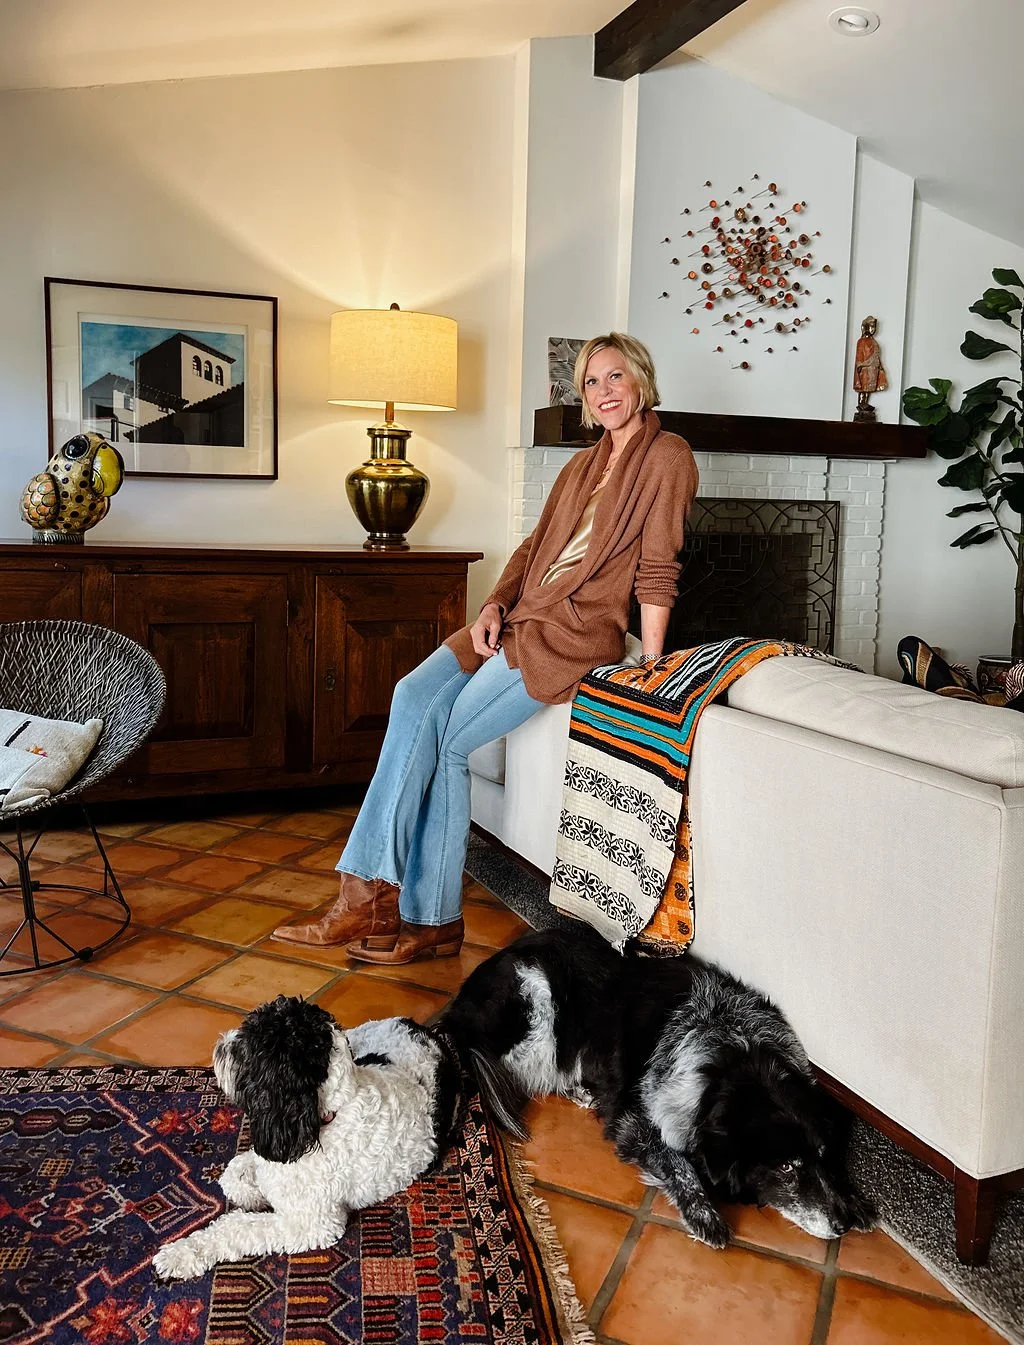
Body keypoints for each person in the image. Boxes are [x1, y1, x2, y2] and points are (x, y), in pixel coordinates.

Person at [272, 333, 699, 965]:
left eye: (615, 377)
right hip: (520, 616)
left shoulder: (668, 456)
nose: (604, 392)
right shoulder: (582, 465)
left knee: (448, 740)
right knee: (412, 693)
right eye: (591, 382)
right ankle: (382, 898)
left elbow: (659, 566)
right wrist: (493, 606)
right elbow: (533, 549)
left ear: (640, 378)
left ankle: (409, 911)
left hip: (568, 634)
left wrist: (654, 664)